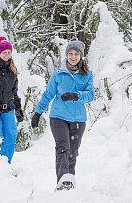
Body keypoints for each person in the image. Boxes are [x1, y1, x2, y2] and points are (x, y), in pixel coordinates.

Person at [31, 40, 95, 190]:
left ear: (81, 56)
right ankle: (62, 183)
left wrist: (76, 95)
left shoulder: (87, 75)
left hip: (78, 119)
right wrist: (38, 113)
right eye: (70, 54)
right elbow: (48, 95)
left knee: (73, 152)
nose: (73, 57)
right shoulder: (58, 74)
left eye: (76, 54)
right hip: (58, 117)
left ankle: (70, 181)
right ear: (66, 55)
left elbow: (91, 95)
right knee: (62, 148)